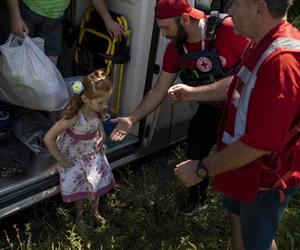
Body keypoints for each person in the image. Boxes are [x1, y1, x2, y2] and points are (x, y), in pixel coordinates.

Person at [173, 0, 300, 249]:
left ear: (258, 7)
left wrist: (201, 168)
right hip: (241, 168)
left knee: (257, 243)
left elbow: (259, 143)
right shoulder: (261, 43)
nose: (229, 11)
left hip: (263, 180)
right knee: (239, 226)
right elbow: (236, 83)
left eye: (237, 4)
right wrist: (193, 93)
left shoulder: (282, 61)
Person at [110, 0, 249, 215]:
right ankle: (198, 199)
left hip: (243, 109)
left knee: (237, 159)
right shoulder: (175, 50)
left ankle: (240, 208)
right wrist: (131, 118)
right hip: (212, 107)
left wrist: (193, 93)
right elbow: (158, 91)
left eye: (166, 28)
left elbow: (246, 78)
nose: (164, 34)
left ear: (185, 19)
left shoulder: (229, 31)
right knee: (195, 147)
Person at [44, 69, 115, 228]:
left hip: (91, 153)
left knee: (95, 182)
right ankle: (80, 217)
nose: (105, 105)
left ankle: (95, 213)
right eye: (101, 102)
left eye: (106, 101)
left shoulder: (98, 111)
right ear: (85, 98)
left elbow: (99, 127)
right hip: (75, 155)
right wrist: (61, 159)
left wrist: (102, 138)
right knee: (81, 186)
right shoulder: (74, 117)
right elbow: (48, 138)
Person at [2, 0, 124, 65]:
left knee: (51, 68)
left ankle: (51, 111)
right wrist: (15, 17)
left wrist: (108, 20)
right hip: (27, 11)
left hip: (55, 18)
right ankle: (10, 109)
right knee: (17, 63)